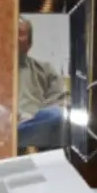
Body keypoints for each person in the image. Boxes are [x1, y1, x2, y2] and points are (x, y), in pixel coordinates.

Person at [16, 17, 69, 150]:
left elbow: (60, 103)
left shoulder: (44, 69)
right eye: (9, 31)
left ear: (29, 44)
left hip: (31, 126)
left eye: (19, 33)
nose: (13, 37)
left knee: (57, 116)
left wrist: (30, 118)